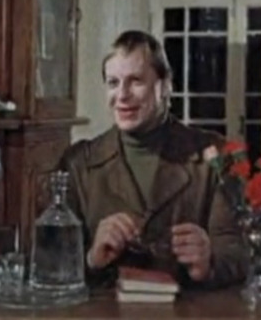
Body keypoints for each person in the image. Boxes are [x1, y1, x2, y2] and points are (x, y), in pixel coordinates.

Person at [60, 30, 247, 288]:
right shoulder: (78, 163)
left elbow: (240, 253)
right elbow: (49, 263)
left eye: (135, 81)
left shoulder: (213, 157)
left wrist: (209, 263)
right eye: (113, 83)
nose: (122, 95)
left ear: (166, 85)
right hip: (106, 307)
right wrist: (91, 258)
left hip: (187, 307)